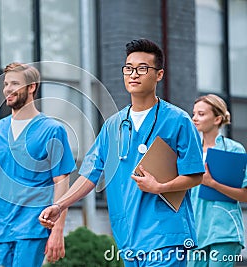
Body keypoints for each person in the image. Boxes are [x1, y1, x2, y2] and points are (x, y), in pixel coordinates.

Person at [39, 38, 206, 267]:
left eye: (142, 68)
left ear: (159, 75)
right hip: (128, 239)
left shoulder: (178, 120)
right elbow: (90, 174)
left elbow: (196, 174)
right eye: (128, 68)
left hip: (166, 235)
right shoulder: (113, 126)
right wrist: (60, 205)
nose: (133, 74)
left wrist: (160, 188)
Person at [0, 62, 76, 267]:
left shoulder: (52, 130)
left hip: (33, 227)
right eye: (6, 83)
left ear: (31, 87)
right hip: (0, 227)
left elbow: (61, 181)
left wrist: (58, 230)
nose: (8, 89)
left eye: (15, 83)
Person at [187, 94, 247, 267]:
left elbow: (244, 195)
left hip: (224, 232)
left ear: (217, 119)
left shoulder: (233, 149)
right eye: (194, 113)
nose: (195, 118)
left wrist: (213, 184)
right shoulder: (190, 150)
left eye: (201, 114)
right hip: (195, 233)